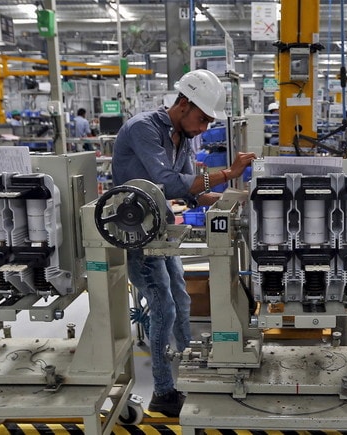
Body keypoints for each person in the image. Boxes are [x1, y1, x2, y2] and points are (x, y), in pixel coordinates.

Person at [111, 69, 256, 417]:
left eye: (209, 122)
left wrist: (236, 197)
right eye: (202, 119)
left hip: (159, 227)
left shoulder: (184, 138)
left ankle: (189, 368)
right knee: (163, 306)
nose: (204, 128)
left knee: (181, 297)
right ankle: (162, 391)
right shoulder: (143, 128)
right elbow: (170, 183)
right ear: (183, 103)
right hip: (136, 231)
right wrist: (227, 174)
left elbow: (192, 193)